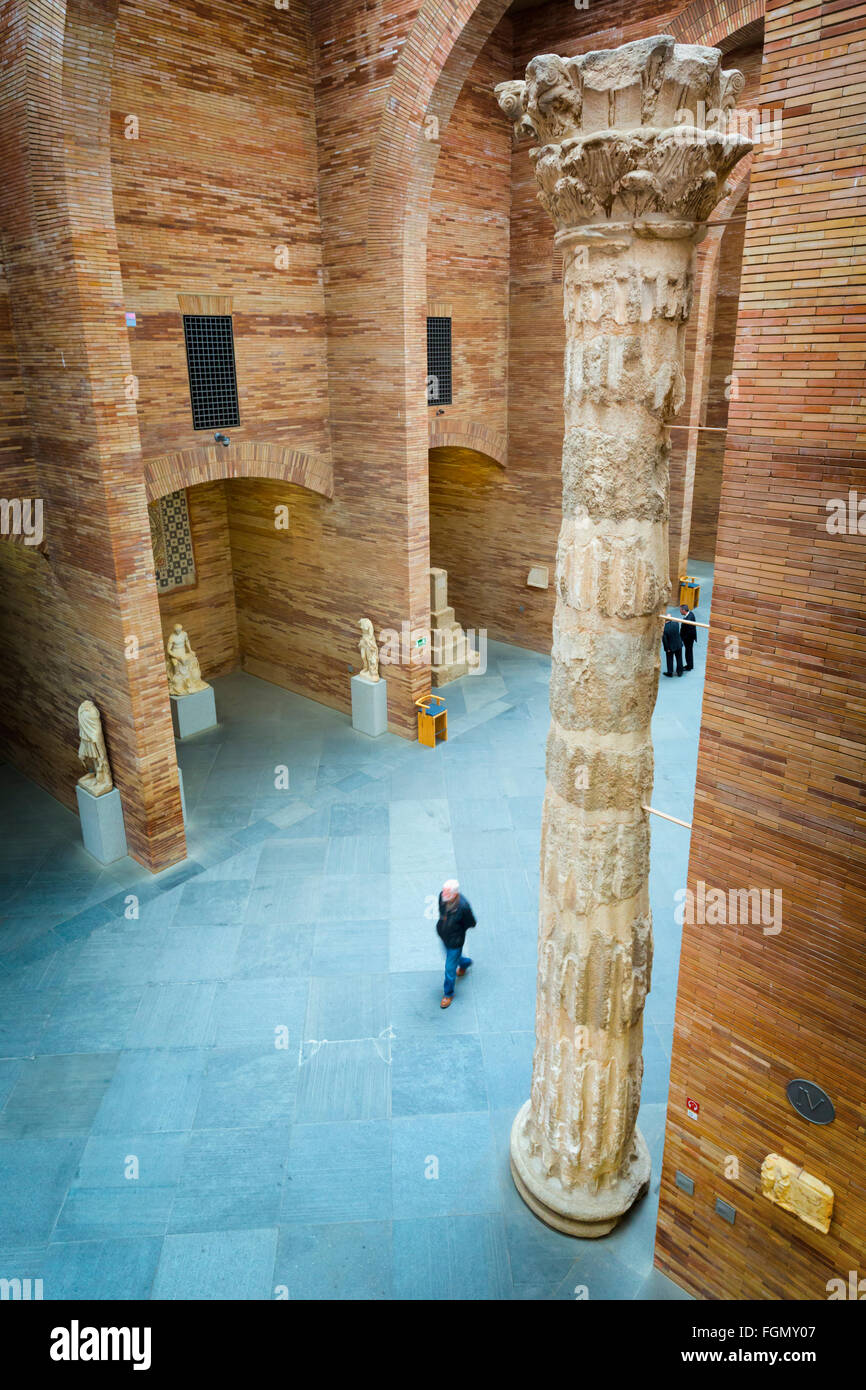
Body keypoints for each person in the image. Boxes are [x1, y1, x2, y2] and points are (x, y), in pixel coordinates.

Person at [436, 879, 476, 1009]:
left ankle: (448, 994)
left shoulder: (463, 907)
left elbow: (471, 922)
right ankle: (465, 963)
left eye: (447, 894)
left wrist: (458, 932)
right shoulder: (442, 897)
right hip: (444, 936)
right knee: (454, 959)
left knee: (449, 968)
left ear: (454, 894)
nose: (444, 897)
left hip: (455, 941)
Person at [680, 603, 697, 671]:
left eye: (680, 610)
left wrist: (683, 638)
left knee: (688, 652)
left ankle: (689, 666)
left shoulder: (689, 618)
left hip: (688, 639)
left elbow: (689, 630)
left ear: (684, 610)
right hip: (690, 637)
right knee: (689, 652)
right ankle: (690, 665)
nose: (680, 611)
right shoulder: (691, 614)